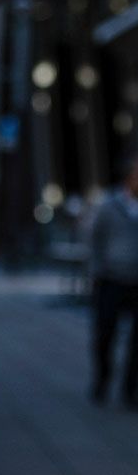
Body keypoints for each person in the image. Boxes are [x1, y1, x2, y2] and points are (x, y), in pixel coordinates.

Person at [89, 159, 138, 408]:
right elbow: (95, 238)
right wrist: (97, 271)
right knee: (105, 334)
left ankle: (131, 389)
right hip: (111, 279)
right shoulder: (109, 205)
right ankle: (103, 379)